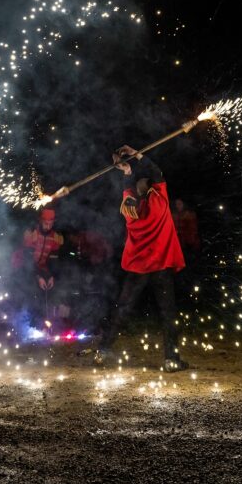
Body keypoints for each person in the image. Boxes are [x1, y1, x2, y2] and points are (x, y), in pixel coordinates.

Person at [95, 145, 189, 372]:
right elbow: (157, 172)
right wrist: (137, 154)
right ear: (151, 189)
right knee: (168, 312)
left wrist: (126, 171)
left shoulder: (131, 211)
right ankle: (171, 359)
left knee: (123, 307)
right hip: (161, 267)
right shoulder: (160, 201)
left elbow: (129, 190)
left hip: (139, 268)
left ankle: (104, 349)